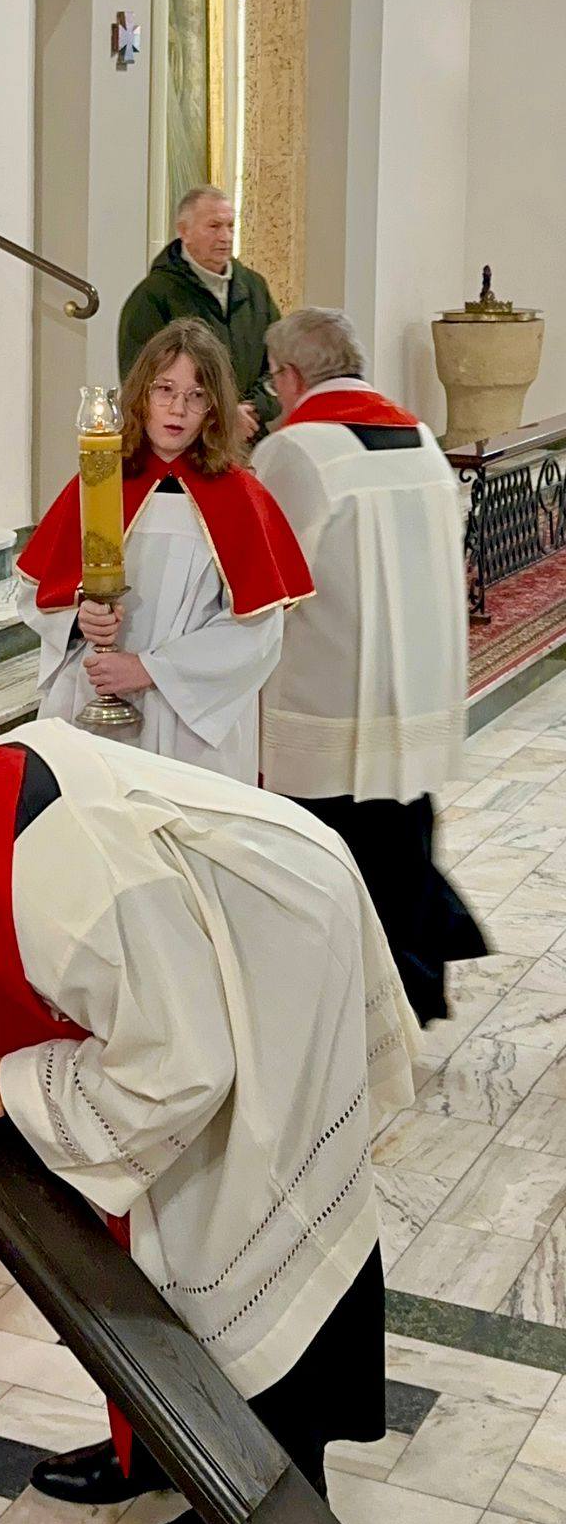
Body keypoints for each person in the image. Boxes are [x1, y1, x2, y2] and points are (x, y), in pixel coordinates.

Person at [0, 716, 418, 1524]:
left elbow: (183, 1068)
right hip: (200, 931)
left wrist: (19, 1083)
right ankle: (157, 1445)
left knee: (250, 1215)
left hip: (279, 944)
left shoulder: (67, 910)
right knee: (156, 1223)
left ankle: (276, 1494)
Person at [252, 308, 486, 1024]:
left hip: (329, 695)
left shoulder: (296, 451)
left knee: (340, 851)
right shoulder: (419, 436)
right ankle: (420, 980)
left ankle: (361, 1004)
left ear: (290, 376)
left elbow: (265, 577)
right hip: (414, 684)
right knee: (402, 827)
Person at [16, 322, 311, 778]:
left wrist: (150, 670)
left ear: (214, 408)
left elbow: (257, 632)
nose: (178, 409)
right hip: (95, 698)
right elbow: (35, 592)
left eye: (197, 395)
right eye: (165, 390)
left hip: (191, 722)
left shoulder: (240, 499)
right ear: (140, 396)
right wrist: (77, 618)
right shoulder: (100, 483)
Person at [118, 187, 280, 438]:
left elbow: (280, 359)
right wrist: (222, 416)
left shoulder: (254, 288)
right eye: (214, 226)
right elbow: (140, 379)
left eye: (230, 226)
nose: (225, 236)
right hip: (186, 439)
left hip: (250, 432)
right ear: (184, 231)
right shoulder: (154, 296)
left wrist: (254, 408)